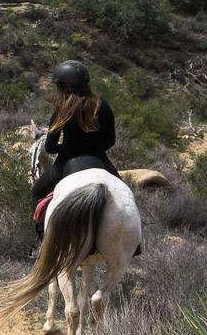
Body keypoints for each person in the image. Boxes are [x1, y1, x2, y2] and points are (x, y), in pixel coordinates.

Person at [31, 60, 136, 253]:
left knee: (37, 192)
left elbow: (51, 147)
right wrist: (93, 148)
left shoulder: (62, 109)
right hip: (100, 161)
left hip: (67, 163)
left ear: (68, 85)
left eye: (61, 85)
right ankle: (134, 245)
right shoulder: (103, 106)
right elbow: (110, 141)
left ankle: (41, 244)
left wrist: (68, 148)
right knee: (126, 196)